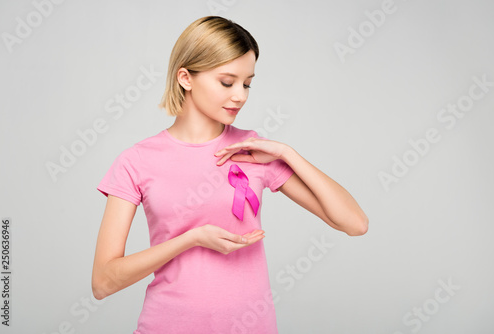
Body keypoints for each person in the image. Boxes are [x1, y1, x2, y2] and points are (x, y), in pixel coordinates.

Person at [91, 15, 368, 334]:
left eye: (247, 83)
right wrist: (191, 239)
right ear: (185, 77)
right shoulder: (137, 160)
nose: (240, 95)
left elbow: (355, 223)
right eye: (227, 82)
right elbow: (103, 282)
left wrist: (286, 153)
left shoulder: (254, 150)